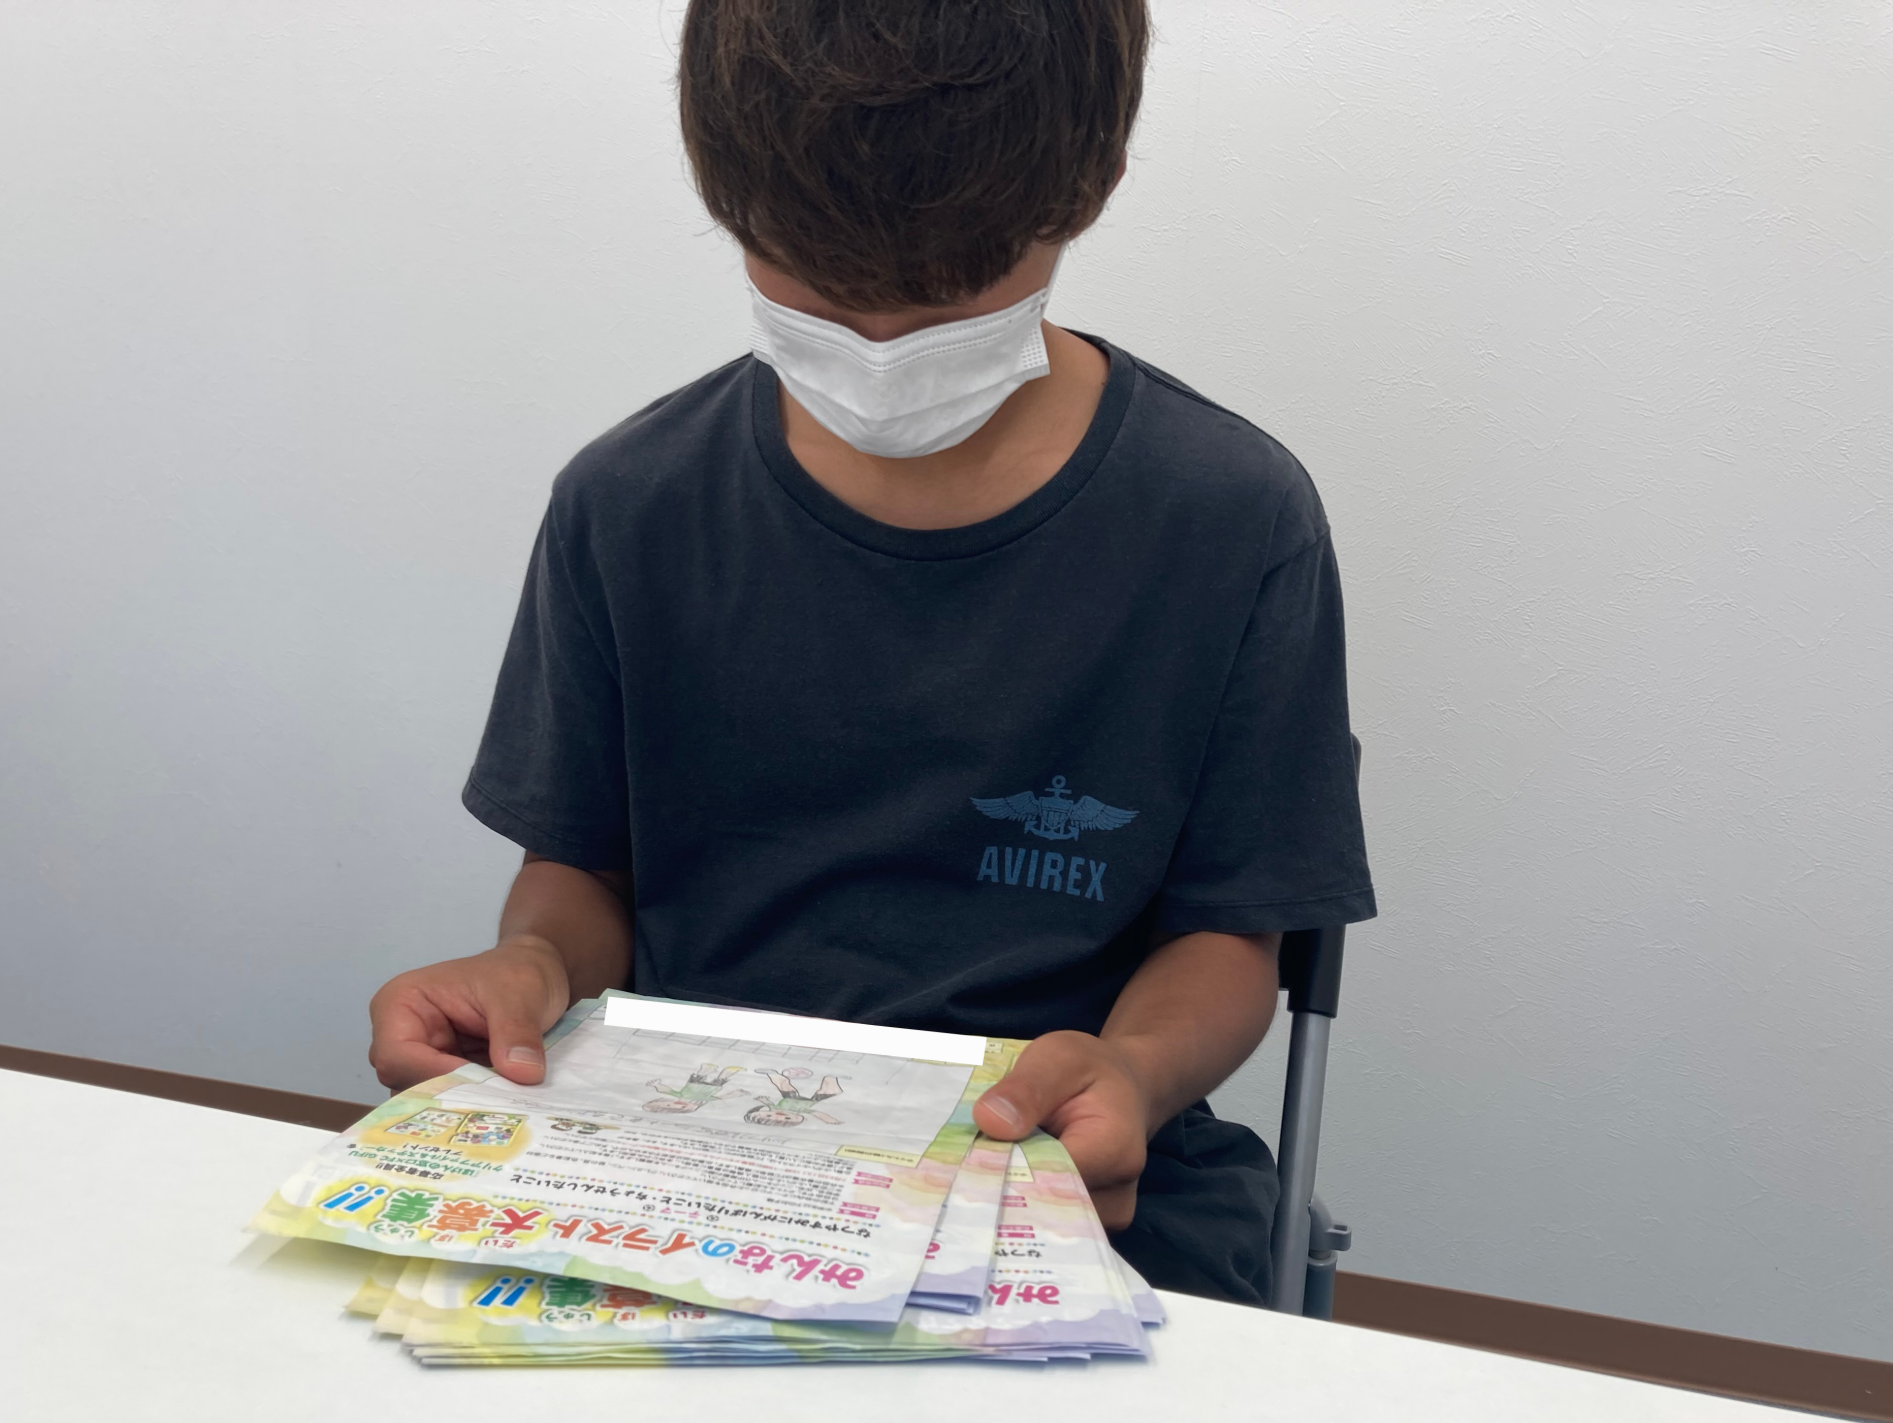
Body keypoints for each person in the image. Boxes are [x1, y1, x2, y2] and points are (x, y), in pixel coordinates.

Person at [368, 0, 1375, 1304]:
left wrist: (1134, 1070)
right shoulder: (631, 505)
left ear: (1097, 178)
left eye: (947, 292)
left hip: (1067, 1160)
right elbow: (581, 869)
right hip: (685, 1160)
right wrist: (537, 970)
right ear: (719, 185)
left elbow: (1231, 938)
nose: (884, 346)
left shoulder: (1230, 521)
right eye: (821, 281)